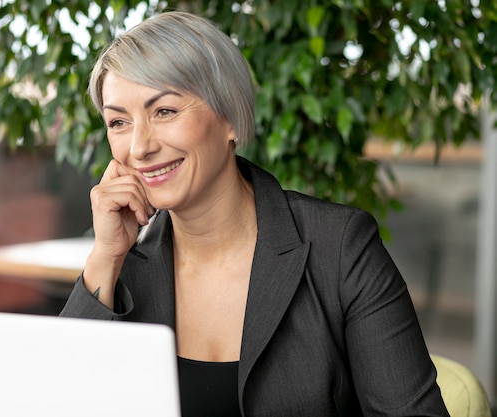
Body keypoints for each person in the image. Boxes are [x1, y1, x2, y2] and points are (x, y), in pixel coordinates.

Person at [59, 10, 449, 417]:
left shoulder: (339, 248)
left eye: (165, 112)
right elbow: (56, 402)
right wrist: (104, 257)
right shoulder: (123, 268)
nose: (139, 147)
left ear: (229, 115)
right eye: (118, 121)